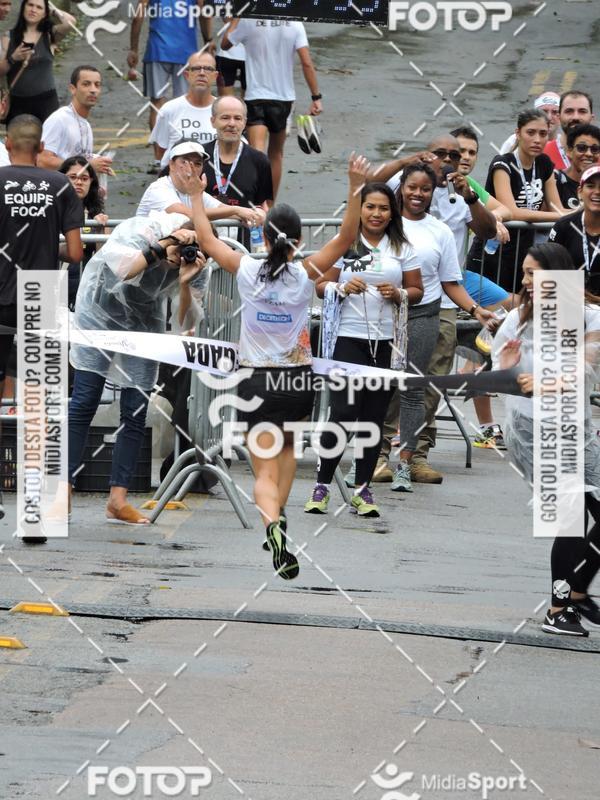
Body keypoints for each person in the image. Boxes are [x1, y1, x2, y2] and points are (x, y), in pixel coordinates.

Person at [192, 154, 370, 578]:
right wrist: (354, 186)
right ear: (298, 240)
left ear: (264, 238)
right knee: (288, 453)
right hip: (298, 381)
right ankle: (281, 521)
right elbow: (347, 237)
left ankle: (272, 522)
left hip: (257, 380)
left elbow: (205, 238)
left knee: (262, 470)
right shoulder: (306, 274)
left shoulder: (247, 268)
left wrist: (197, 195)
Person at [369, 134, 498, 483]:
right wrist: (409, 160)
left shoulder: (459, 198)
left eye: (453, 156)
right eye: (439, 154)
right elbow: (369, 184)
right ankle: (375, 456)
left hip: (437, 307)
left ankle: (417, 456)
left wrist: (475, 310)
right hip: (390, 310)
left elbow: (486, 232)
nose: (446, 160)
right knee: (389, 384)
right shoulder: (392, 207)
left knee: (427, 386)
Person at [69, 209, 207, 525]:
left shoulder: (197, 263)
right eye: (179, 251)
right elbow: (125, 270)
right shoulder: (143, 232)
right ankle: (64, 488)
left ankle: (118, 499)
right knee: (85, 401)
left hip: (144, 321)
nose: (179, 259)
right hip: (100, 310)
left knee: (134, 411)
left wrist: (185, 282)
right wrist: (164, 245)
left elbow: (185, 322)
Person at [493, 242, 600, 636]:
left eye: (534, 274)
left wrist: (546, 382)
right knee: (570, 517)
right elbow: (496, 375)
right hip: (531, 428)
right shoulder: (518, 320)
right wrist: (507, 366)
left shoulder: (590, 317)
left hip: (575, 428)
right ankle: (558, 610)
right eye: (524, 273)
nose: (526, 281)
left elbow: (585, 371)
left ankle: (575, 591)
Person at [304, 181, 423, 518]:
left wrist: (398, 293)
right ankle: (322, 486)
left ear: (392, 213)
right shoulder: (345, 244)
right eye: (369, 206)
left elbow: (417, 290)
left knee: (373, 418)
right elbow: (319, 285)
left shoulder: (402, 247)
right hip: (347, 339)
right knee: (341, 413)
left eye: (383, 208)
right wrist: (341, 287)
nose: (376, 213)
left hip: (385, 343)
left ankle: (362, 490)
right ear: (361, 210)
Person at [0, 115, 82, 532]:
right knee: (40, 405)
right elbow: (76, 251)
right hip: (42, 294)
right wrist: (47, 251)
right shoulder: (61, 185)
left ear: (8, 142)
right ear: (41, 146)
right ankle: (35, 511)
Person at [467, 109, 567, 295]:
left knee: (519, 308)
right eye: (531, 133)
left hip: (523, 251)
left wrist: (566, 213)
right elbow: (512, 211)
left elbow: (556, 206)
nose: (537, 139)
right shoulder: (503, 164)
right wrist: (563, 215)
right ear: (518, 133)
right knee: (494, 312)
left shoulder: (544, 163)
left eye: (543, 134)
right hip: (494, 251)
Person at [222, 18, 322, 199]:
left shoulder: (248, 21)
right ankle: (269, 204)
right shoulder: (295, 23)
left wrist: (237, 17)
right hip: (283, 99)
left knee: (256, 152)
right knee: (276, 154)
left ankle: (254, 202)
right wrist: (316, 97)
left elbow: (225, 44)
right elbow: (307, 62)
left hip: (255, 97)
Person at [127, 0, 212, 174]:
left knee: (157, 103)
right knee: (186, 104)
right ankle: (186, 156)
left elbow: (138, 16)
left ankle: (159, 159)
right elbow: (204, 12)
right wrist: (207, 41)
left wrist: (133, 49)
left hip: (157, 51)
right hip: (186, 52)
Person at [136, 140, 260, 229]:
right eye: (184, 161)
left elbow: (224, 210)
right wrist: (236, 209)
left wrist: (255, 213)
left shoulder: (195, 191)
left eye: (197, 163)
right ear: (171, 164)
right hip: (141, 258)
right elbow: (187, 214)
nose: (191, 167)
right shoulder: (159, 188)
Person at [202, 96, 272, 247]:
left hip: (242, 249)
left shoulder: (260, 161)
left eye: (237, 118)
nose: (231, 124)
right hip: (202, 243)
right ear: (213, 121)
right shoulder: (198, 157)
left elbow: (262, 205)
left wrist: (261, 213)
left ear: (245, 123)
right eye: (225, 117)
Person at [0, 0, 75, 123]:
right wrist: (13, 58)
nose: (33, 10)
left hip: (46, 102)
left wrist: (52, 9)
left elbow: (70, 22)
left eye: (39, 7)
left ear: (45, 13)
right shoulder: (8, 36)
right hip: (17, 103)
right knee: (18, 141)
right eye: (30, 5)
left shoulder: (50, 35)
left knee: (47, 141)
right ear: (23, 7)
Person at [38, 65, 113, 177]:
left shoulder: (86, 125)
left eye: (97, 85)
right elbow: (42, 160)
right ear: (73, 89)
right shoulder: (59, 119)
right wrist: (87, 165)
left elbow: (77, 157)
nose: (93, 90)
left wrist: (99, 163)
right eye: (86, 84)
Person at [149, 50, 217, 170]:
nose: (201, 73)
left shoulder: (223, 110)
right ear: (187, 75)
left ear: (215, 76)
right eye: (196, 68)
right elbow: (161, 150)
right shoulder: (169, 109)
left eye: (207, 68)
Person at [58, 155, 108, 309]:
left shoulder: (95, 214)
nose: (79, 182)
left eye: (84, 178)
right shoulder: (48, 209)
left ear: (91, 182)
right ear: (61, 179)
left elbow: (104, 258)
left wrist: (101, 230)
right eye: (72, 177)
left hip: (83, 286)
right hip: (50, 282)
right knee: (41, 331)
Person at [549, 165, 600, 295]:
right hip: (570, 305)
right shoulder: (564, 226)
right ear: (579, 192)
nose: (597, 191)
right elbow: (548, 272)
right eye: (590, 185)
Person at [544, 90, 595, 171]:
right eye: (569, 111)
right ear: (559, 117)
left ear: (591, 117)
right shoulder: (542, 153)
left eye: (582, 111)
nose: (576, 117)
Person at [554, 123, 600, 211]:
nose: (589, 154)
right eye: (582, 148)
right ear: (569, 151)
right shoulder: (555, 180)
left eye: (595, 149)